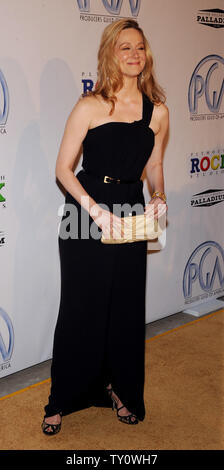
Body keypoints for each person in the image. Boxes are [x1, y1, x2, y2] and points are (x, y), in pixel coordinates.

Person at [42, 18, 169, 435]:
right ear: (110, 55)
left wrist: (159, 196)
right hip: (86, 212)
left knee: (126, 309)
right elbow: (63, 169)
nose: (134, 55)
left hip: (132, 210)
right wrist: (94, 209)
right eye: (124, 48)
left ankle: (122, 391)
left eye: (139, 47)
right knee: (81, 308)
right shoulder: (90, 105)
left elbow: (154, 165)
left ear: (146, 54)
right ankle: (62, 397)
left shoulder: (159, 111)